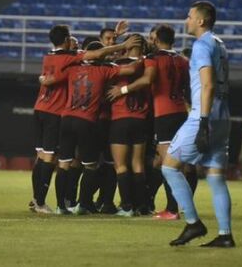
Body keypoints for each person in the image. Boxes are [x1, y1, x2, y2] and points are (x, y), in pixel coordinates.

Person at [29, 22, 135, 214]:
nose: (75, 45)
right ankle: (80, 203)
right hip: (81, 118)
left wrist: (43, 79)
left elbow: (50, 78)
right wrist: (125, 47)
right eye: (72, 40)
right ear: (66, 40)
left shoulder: (57, 61)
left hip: (53, 113)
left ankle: (54, 203)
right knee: (89, 164)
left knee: (55, 160)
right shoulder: (82, 62)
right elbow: (126, 67)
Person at [161, 0, 235, 248]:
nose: (187, 20)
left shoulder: (202, 45)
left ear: (201, 21)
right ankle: (225, 234)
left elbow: (208, 84)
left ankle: (193, 223)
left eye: (190, 16)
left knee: (169, 167)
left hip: (204, 117)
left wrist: (202, 120)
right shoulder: (220, 44)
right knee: (216, 178)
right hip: (223, 117)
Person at [107, 24, 191, 220]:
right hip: (180, 112)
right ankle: (167, 204)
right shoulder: (182, 60)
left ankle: (172, 209)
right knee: (172, 163)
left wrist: (122, 90)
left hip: (164, 113)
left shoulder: (153, 59)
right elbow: (187, 86)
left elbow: (147, 79)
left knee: (169, 165)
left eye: (152, 38)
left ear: (156, 40)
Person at [104, 34, 152, 217]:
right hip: (141, 119)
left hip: (120, 118)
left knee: (121, 166)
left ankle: (126, 207)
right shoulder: (149, 64)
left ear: (128, 45)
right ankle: (142, 206)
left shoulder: (117, 64)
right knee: (138, 164)